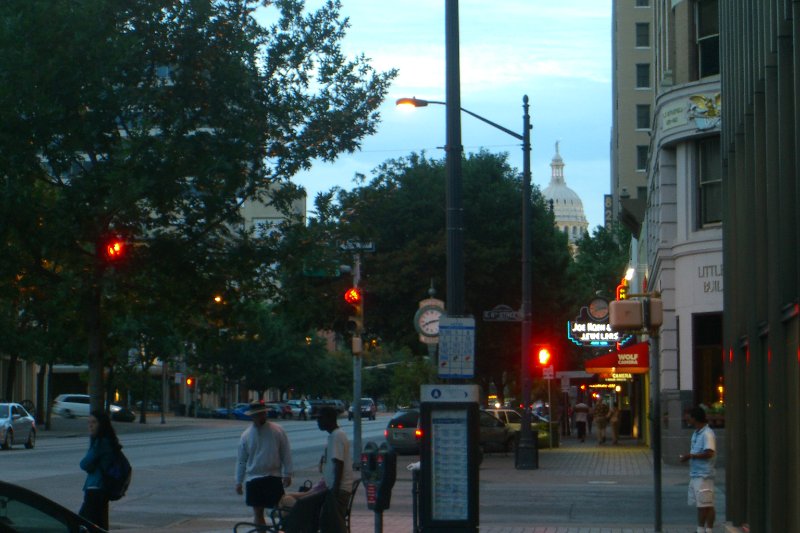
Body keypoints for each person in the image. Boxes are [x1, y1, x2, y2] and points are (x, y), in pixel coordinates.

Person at [235, 401, 294, 527]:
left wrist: (288, 473)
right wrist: (238, 481)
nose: (260, 417)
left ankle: (279, 529)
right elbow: (241, 460)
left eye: (262, 414)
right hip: (254, 477)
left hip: (273, 476)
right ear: (252, 416)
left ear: (265, 414)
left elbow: (285, 452)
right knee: (258, 512)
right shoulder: (246, 435)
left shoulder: (277, 431)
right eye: (256, 415)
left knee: (280, 510)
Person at [79, 410, 121, 529]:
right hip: (102, 488)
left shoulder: (100, 443)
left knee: (83, 523)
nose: (90, 426)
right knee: (99, 523)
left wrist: (91, 465)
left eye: (94, 422)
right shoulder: (109, 441)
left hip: (95, 488)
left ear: (101, 424)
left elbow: (84, 464)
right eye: (89, 422)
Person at [679, 406, 717, 533]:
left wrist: (691, 456)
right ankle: (705, 529)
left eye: (688, 417)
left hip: (704, 473)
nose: (686, 420)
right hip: (697, 473)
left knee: (705, 504)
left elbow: (709, 452)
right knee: (704, 503)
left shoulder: (707, 434)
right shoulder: (697, 433)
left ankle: (703, 529)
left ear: (695, 418)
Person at [317, 406, 353, 533]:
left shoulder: (337, 436)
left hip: (339, 490)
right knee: (330, 523)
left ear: (329, 419)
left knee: (334, 524)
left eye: (320, 418)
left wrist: (335, 490)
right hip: (335, 488)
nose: (318, 422)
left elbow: (339, 464)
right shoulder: (334, 435)